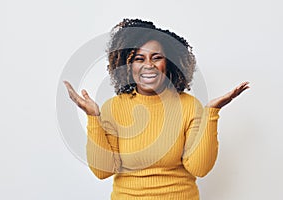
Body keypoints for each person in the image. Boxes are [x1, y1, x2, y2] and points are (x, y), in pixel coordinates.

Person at [63, 18, 249, 200]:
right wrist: (93, 116)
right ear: (128, 65)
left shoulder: (188, 105)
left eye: (157, 57)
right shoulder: (115, 107)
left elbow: (199, 169)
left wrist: (211, 113)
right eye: (139, 58)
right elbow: (103, 171)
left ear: (169, 63)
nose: (148, 65)